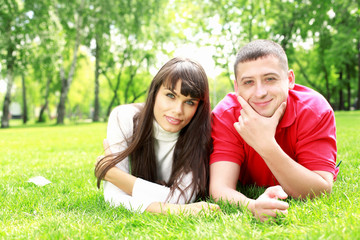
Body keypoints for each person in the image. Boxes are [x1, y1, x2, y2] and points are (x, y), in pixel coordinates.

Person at [209, 39, 338, 222]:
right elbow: (220, 188)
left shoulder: (314, 111)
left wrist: (266, 144)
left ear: (290, 80)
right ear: (237, 87)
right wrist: (252, 206)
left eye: (270, 79)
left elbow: (320, 190)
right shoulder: (226, 115)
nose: (260, 92)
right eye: (248, 82)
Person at [95, 57, 220, 215]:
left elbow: (181, 199)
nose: (178, 110)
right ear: (154, 93)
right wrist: (178, 211)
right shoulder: (124, 117)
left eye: (190, 102)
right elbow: (114, 196)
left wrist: (114, 175)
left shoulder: (200, 132)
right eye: (170, 96)